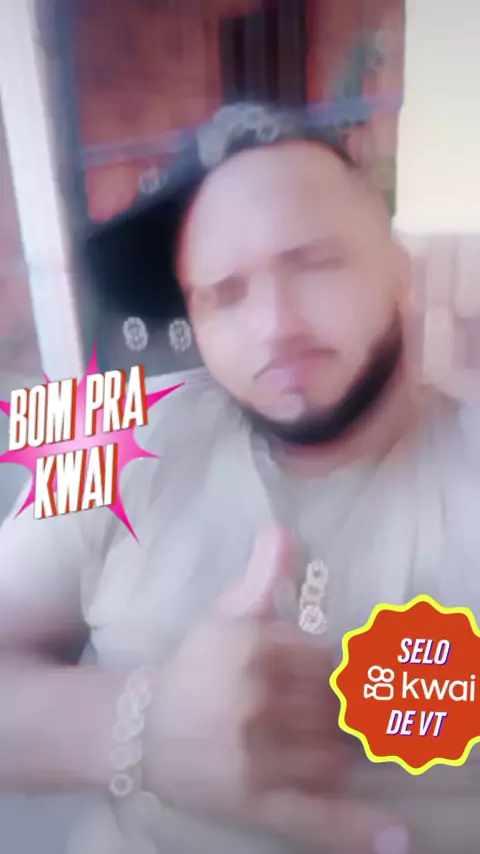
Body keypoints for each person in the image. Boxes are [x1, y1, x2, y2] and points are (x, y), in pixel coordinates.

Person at [0, 103, 479, 854]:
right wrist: (137, 727)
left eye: (314, 262)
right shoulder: (99, 431)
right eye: (222, 293)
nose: (274, 326)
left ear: (400, 271)